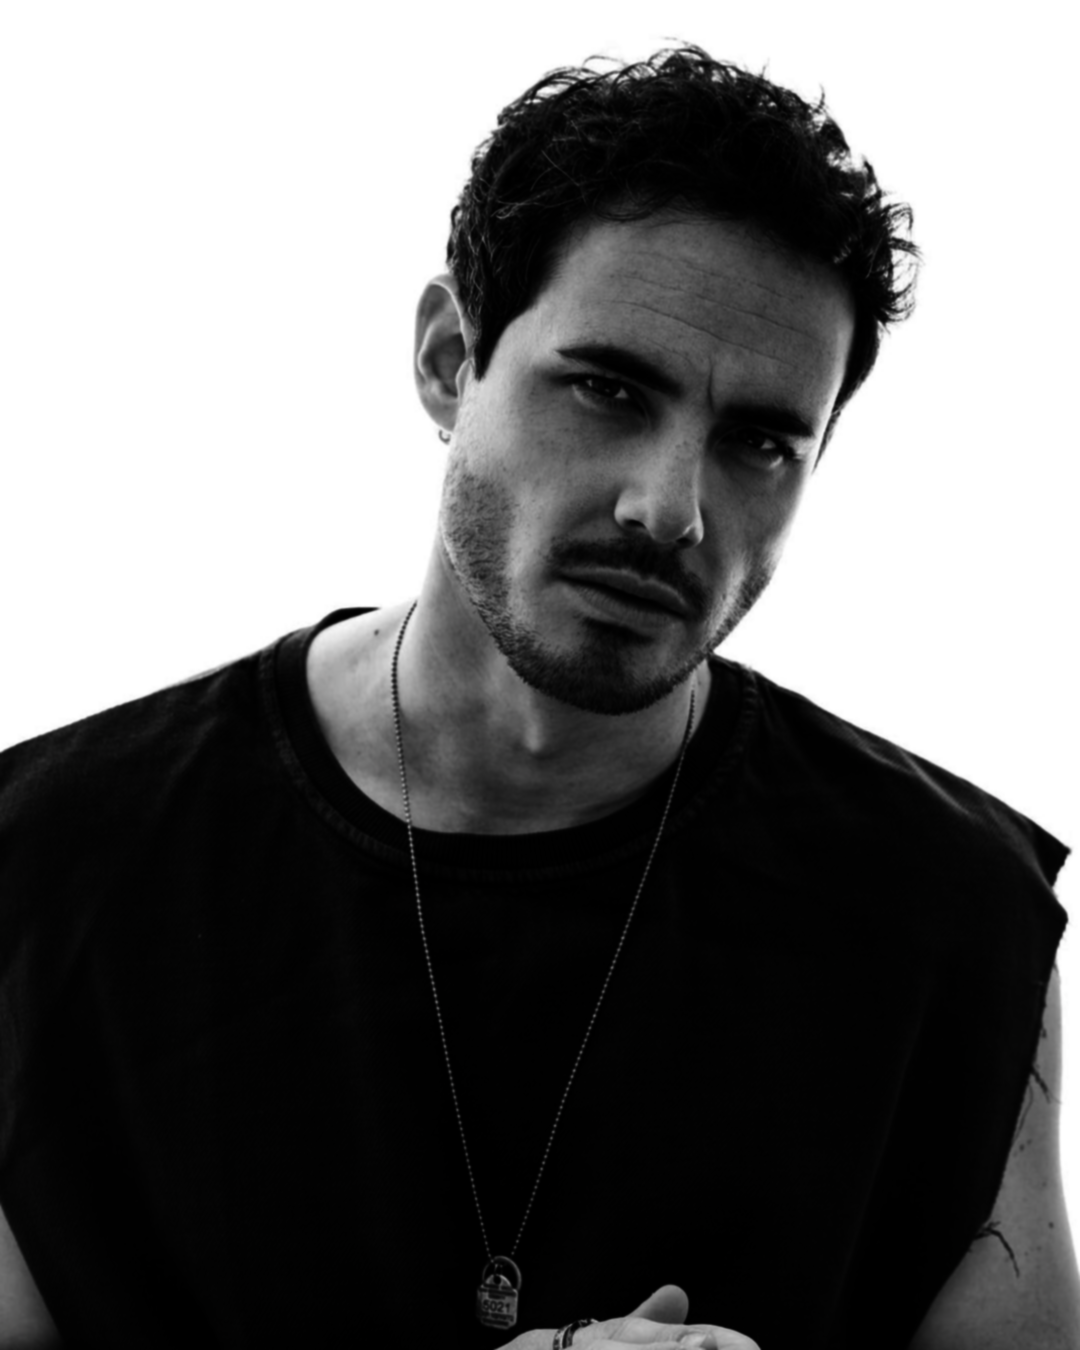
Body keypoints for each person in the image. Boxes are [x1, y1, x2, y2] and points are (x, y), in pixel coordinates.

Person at [0, 44, 1076, 1350]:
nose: (669, 509)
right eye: (609, 389)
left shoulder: (958, 918)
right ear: (451, 359)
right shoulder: (47, 861)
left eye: (758, 443)